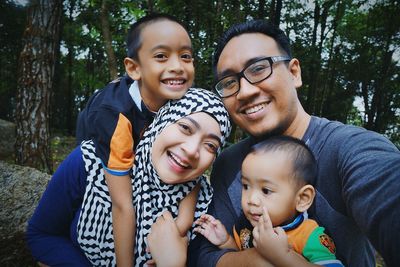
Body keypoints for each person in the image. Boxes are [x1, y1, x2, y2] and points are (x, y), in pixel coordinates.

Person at [188, 19, 400, 267]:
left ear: (294, 72)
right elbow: (204, 255)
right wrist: (257, 259)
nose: (244, 92)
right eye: (229, 82)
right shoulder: (229, 162)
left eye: (258, 68)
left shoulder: (350, 149)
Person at [26, 88, 231, 266]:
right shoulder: (92, 162)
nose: (192, 150)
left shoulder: (205, 208)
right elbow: (42, 234)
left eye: (210, 145)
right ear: (161, 121)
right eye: (185, 127)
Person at [75, 13, 195, 266]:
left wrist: (181, 225)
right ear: (134, 68)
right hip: (99, 149)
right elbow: (122, 205)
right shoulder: (114, 117)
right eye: (161, 56)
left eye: (186, 56)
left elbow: (194, 169)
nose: (178, 66)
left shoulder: (187, 103)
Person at [194, 136, 344, 266]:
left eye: (266, 190)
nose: (251, 200)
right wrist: (225, 242)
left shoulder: (309, 235)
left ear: (302, 199)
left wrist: (283, 256)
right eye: (246, 186)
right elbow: (241, 253)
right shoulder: (245, 226)